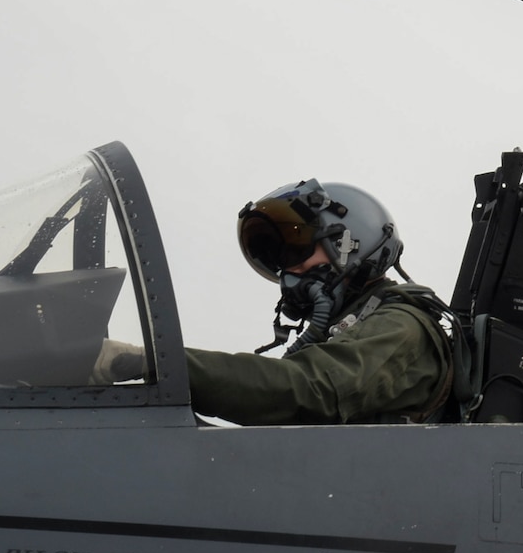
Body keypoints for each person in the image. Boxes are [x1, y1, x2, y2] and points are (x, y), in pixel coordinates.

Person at [95, 179, 453, 424]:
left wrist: (149, 362)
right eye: (280, 262)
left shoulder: (401, 325)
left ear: (350, 244)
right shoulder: (350, 328)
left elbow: (308, 389)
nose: (290, 273)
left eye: (298, 249)